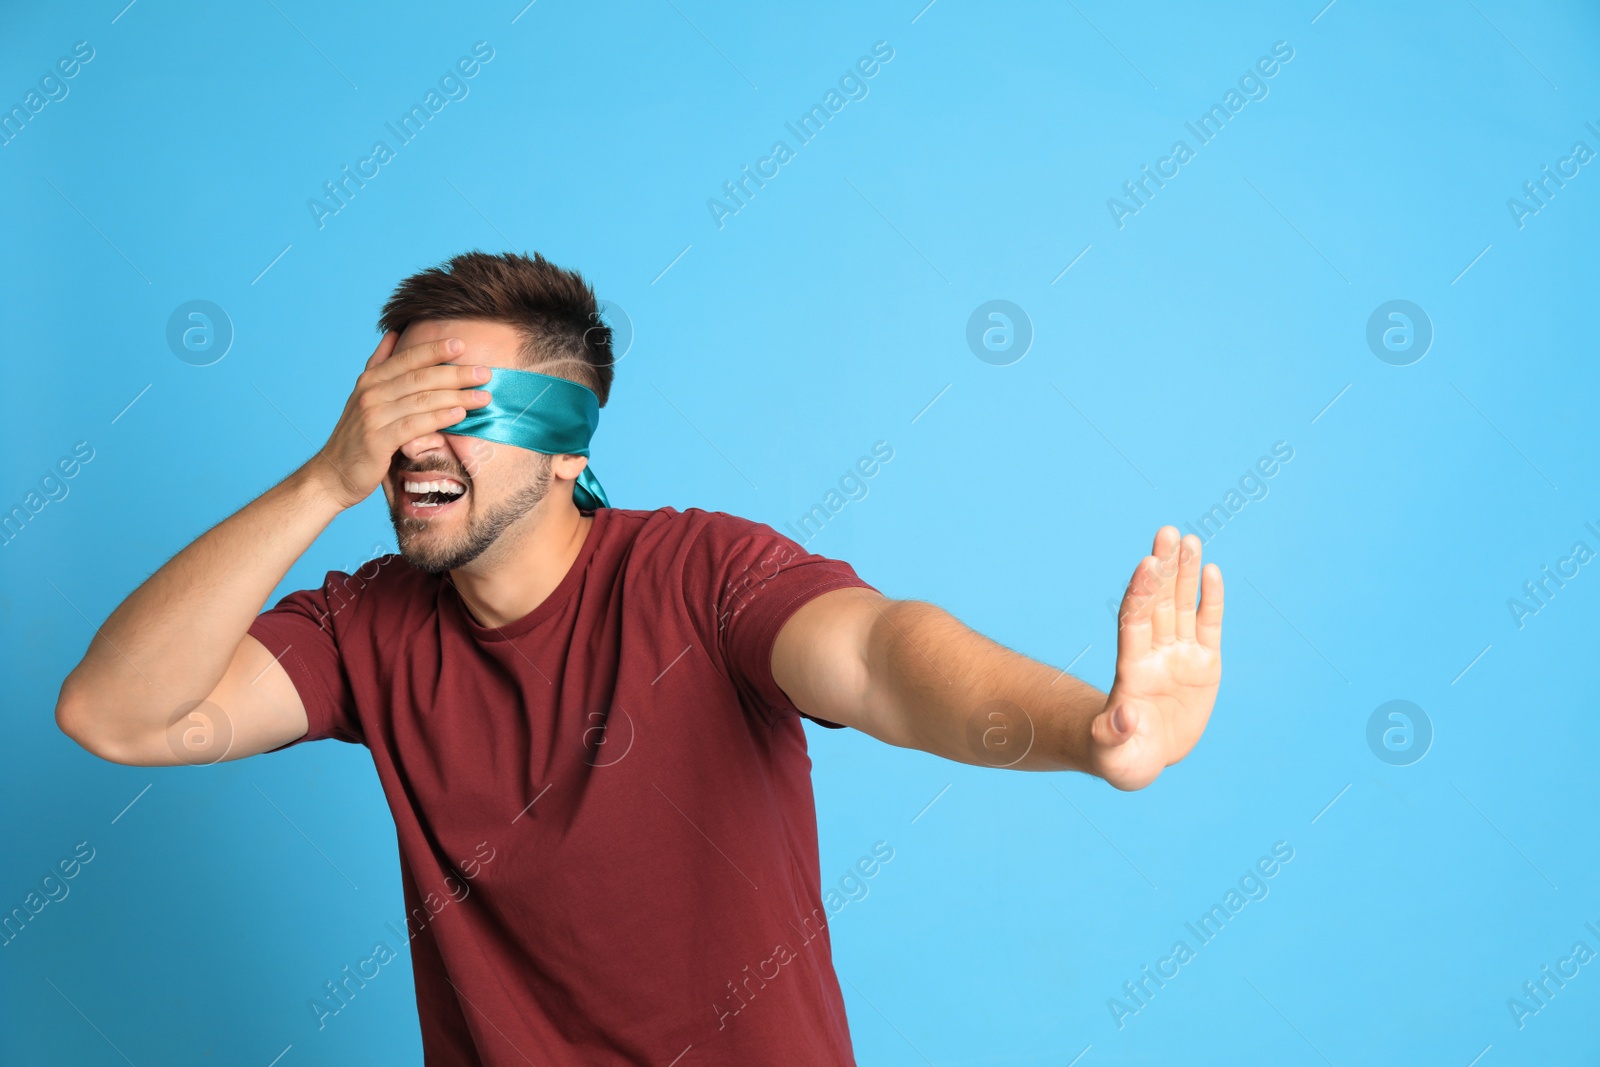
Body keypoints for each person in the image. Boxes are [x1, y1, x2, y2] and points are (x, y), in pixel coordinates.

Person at [54, 250, 1225, 1065]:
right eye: (394, 402)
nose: (417, 439)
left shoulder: (700, 576)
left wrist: (1085, 731)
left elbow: (880, 656)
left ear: (566, 448)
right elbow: (119, 714)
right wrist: (322, 477)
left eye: (461, 405)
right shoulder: (368, 622)